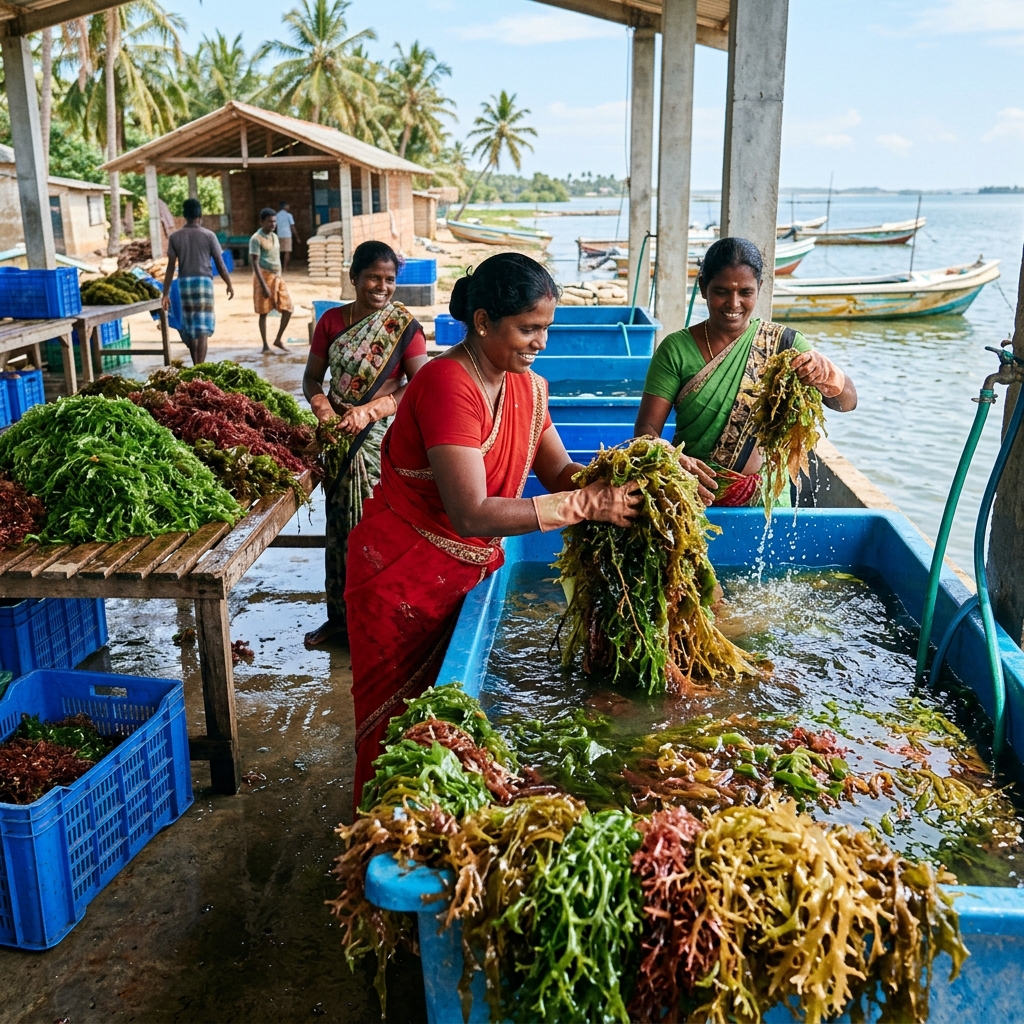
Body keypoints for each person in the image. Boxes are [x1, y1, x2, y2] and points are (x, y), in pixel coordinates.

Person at [344, 252, 642, 802]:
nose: (540, 342)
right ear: (482, 321)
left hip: (467, 572)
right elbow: (472, 512)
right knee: (398, 732)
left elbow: (560, 472)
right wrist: (583, 506)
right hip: (402, 578)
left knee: (449, 733)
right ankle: (379, 830)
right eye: (528, 329)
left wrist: (631, 473)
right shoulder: (446, 384)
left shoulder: (527, 386)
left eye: (546, 329)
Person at [634, 237, 857, 507]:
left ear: (759, 288)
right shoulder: (676, 350)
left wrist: (828, 374)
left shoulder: (784, 344)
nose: (733, 303)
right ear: (703, 287)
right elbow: (646, 430)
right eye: (721, 291)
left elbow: (847, 402)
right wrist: (671, 456)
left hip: (768, 501)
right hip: (695, 493)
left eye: (746, 292)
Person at [302, 241, 429, 648]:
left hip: (380, 439)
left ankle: (375, 621)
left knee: (375, 529)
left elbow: (421, 386)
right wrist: (321, 405)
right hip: (339, 437)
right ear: (354, 277)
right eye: (373, 277)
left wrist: (373, 410)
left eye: (389, 279)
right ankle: (339, 619)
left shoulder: (403, 327)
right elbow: (311, 378)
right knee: (339, 526)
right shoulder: (331, 322)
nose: (382, 287)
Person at [161, 198, 234, 365]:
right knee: (203, 329)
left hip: (184, 284)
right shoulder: (209, 235)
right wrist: (228, 283)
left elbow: (171, 267)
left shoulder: (175, 237)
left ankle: (195, 365)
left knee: (190, 328)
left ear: (184, 216)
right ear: (200, 215)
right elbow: (220, 263)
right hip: (204, 284)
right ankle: (200, 367)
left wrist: (165, 293)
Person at [249, 208, 293, 353]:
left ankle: (278, 339)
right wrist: (264, 285)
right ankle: (265, 345)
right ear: (262, 222)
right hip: (263, 277)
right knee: (263, 312)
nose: (273, 224)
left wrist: (279, 275)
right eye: (269, 222)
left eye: (274, 221)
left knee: (288, 308)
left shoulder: (275, 236)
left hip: (277, 277)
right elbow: (255, 263)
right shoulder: (256, 239)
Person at [275, 201, 301, 273]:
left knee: (279, 252)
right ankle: (285, 268)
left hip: (279, 235)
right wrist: (297, 237)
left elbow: (274, 226)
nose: (289, 207)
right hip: (287, 235)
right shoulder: (289, 215)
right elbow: (292, 227)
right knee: (287, 251)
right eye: (288, 206)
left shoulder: (277, 215)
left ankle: (278, 267)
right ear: (285, 207)